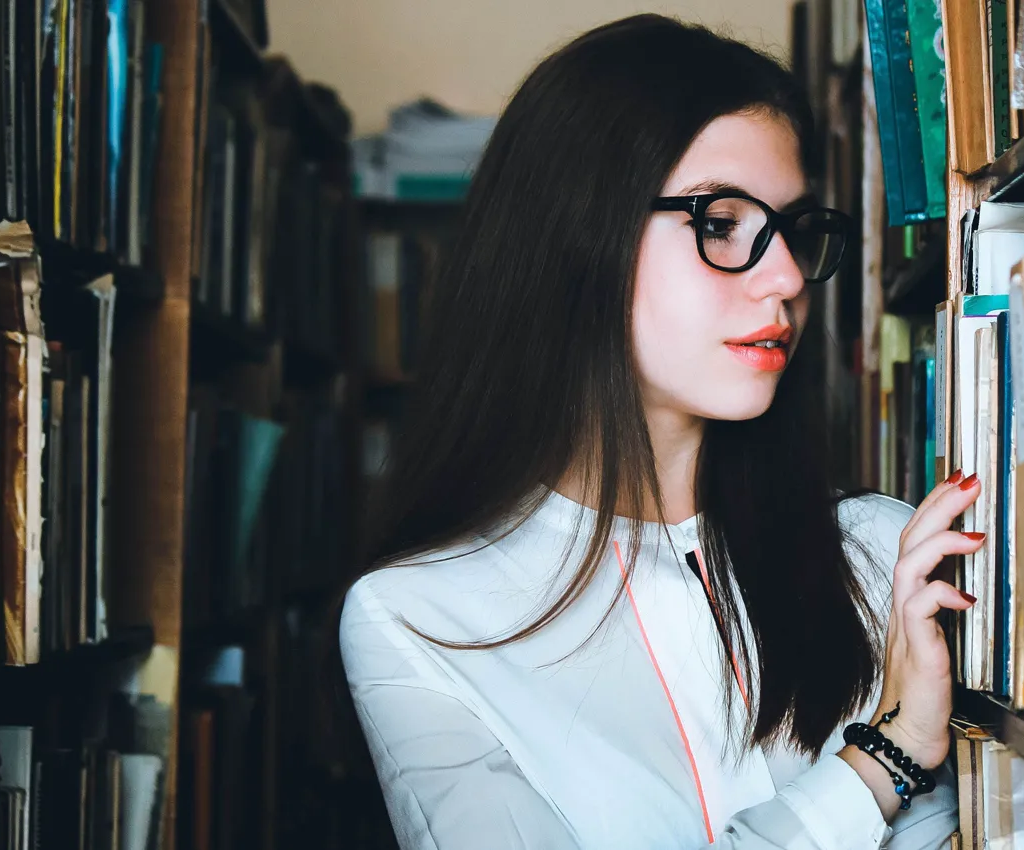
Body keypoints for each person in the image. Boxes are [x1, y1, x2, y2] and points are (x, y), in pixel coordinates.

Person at [339, 14, 983, 849]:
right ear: (579, 236)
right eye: (721, 224)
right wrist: (883, 760)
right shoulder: (417, 623)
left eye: (793, 230)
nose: (786, 277)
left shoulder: (887, 558)